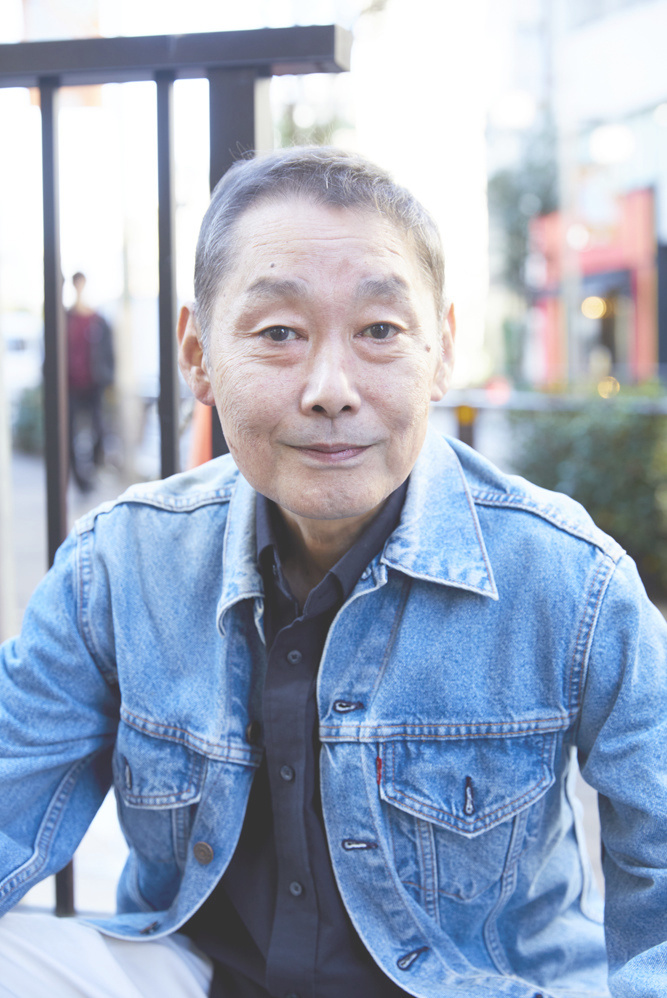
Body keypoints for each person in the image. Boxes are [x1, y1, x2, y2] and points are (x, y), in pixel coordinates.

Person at [1, 147, 666, 998]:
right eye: (278, 333)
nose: (330, 389)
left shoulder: (569, 579)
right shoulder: (120, 565)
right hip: (201, 978)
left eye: (379, 331)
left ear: (440, 348)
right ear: (198, 353)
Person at [66, 271, 115, 491]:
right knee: (70, 434)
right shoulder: (66, 319)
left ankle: (93, 470)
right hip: (70, 386)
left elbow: (109, 352)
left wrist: (108, 379)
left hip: (94, 384)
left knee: (99, 430)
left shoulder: (98, 320)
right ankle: (79, 481)